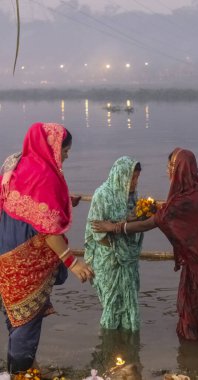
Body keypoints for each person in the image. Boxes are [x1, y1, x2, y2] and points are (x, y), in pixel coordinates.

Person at [92, 148, 198, 340]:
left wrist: (115, 227)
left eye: (172, 167)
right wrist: (152, 209)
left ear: (181, 169)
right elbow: (170, 213)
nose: (168, 171)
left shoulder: (183, 200)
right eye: (169, 166)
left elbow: (153, 222)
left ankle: (194, 351)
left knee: (194, 307)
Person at [0, 122, 94, 375]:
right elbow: (47, 227)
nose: (66, 155)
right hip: (26, 258)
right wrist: (73, 263)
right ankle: (20, 371)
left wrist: (64, 201)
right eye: (65, 149)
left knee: (15, 315)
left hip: (4, 252)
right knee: (27, 321)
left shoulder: (14, 163)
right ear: (52, 146)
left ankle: (20, 367)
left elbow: (24, 202)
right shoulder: (45, 175)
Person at [84, 156, 143, 331]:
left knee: (128, 301)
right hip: (108, 260)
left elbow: (132, 223)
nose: (134, 183)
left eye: (137, 178)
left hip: (128, 260)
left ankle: (127, 341)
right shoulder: (103, 194)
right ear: (121, 175)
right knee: (112, 303)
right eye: (132, 178)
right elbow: (96, 230)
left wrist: (119, 224)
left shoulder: (131, 196)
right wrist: (116, 245)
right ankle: (109, 345)